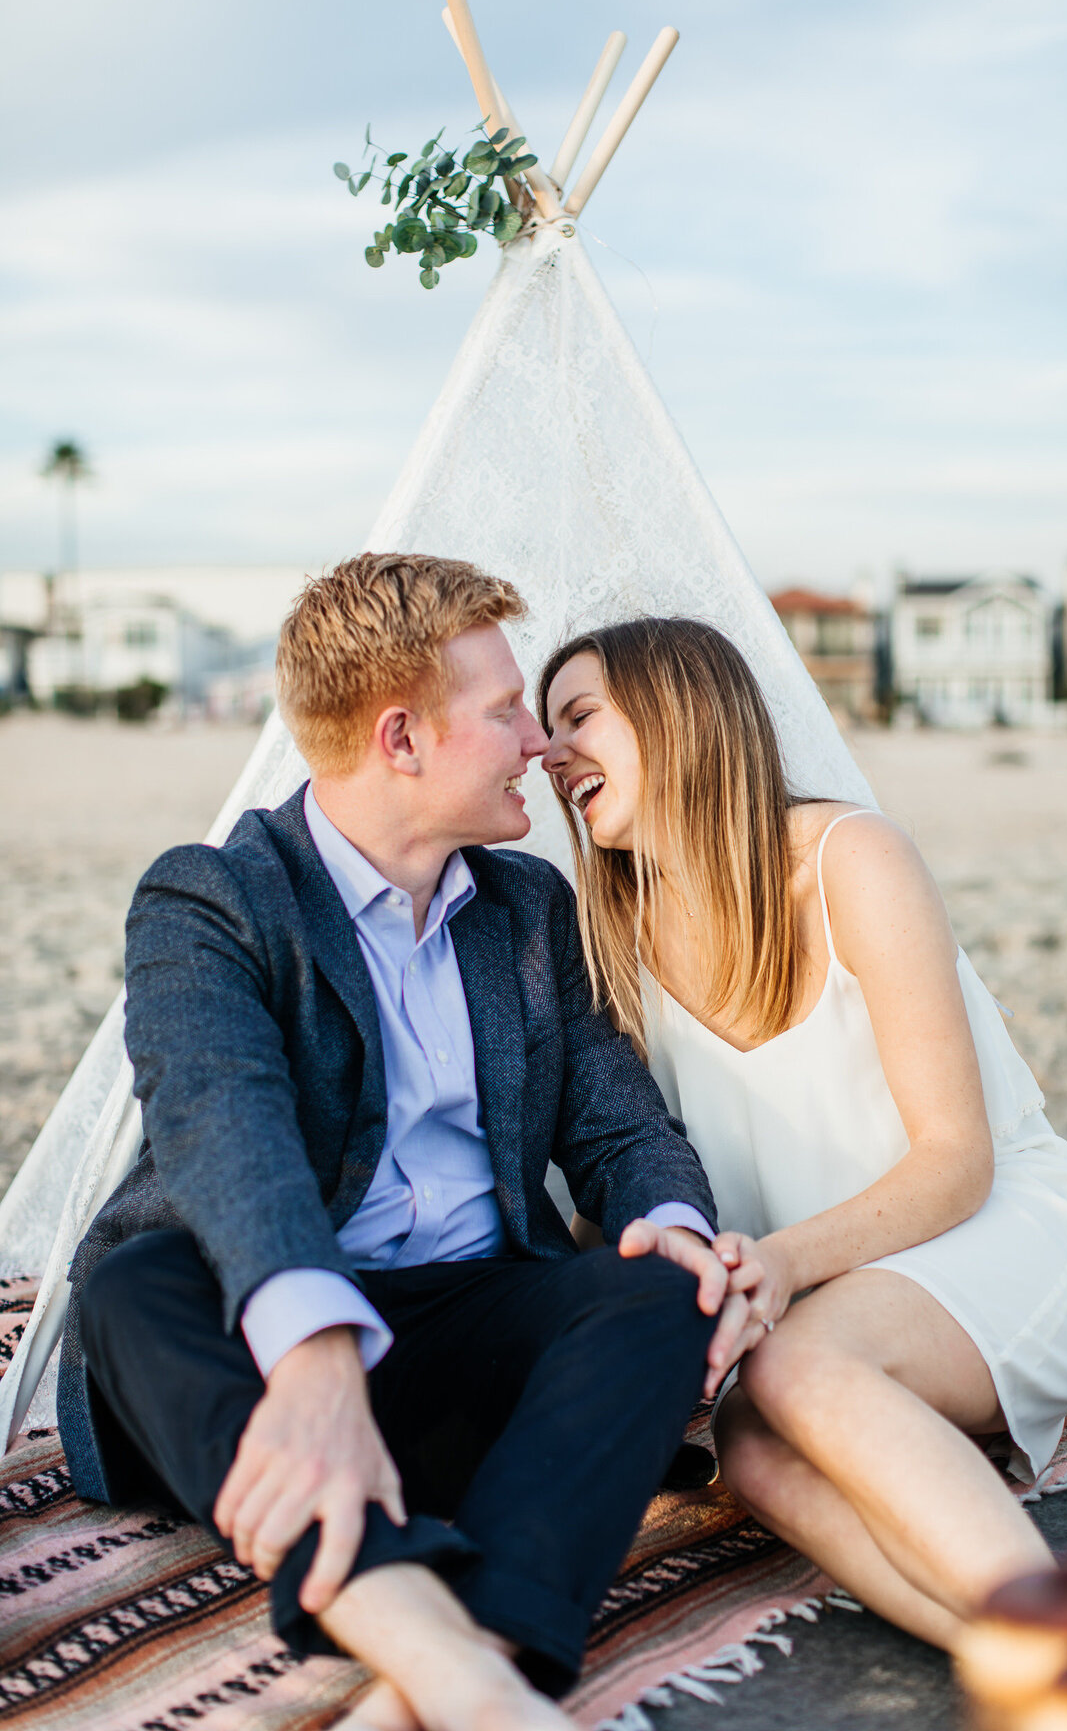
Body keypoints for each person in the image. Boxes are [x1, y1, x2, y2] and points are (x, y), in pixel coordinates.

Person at [57, 558, 762, 1731]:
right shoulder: (215, 898)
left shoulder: (530, 909)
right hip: (255, 1352)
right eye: (504, 712)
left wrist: (673, 1226)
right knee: (132, 1285)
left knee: (662, 1285)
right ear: (401, 740)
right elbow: (219, 1128)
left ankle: (454, 1658)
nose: (538, 742)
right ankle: (473, 1680)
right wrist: (320, 1358)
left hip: (465, 1334)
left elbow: (621, 1124)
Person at [540, 615, 1067, 1653]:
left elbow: (956, 1157)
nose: (552, 752)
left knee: (793, 1374)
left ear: (678, 709)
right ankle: (1027, 1659)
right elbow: (620, 1173)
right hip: (819, 1301)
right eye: (547, 733)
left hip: (983, 1235)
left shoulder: (849, 857)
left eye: (580, 716)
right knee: (751, 1447)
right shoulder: (611, 932)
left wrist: (783, 1263)